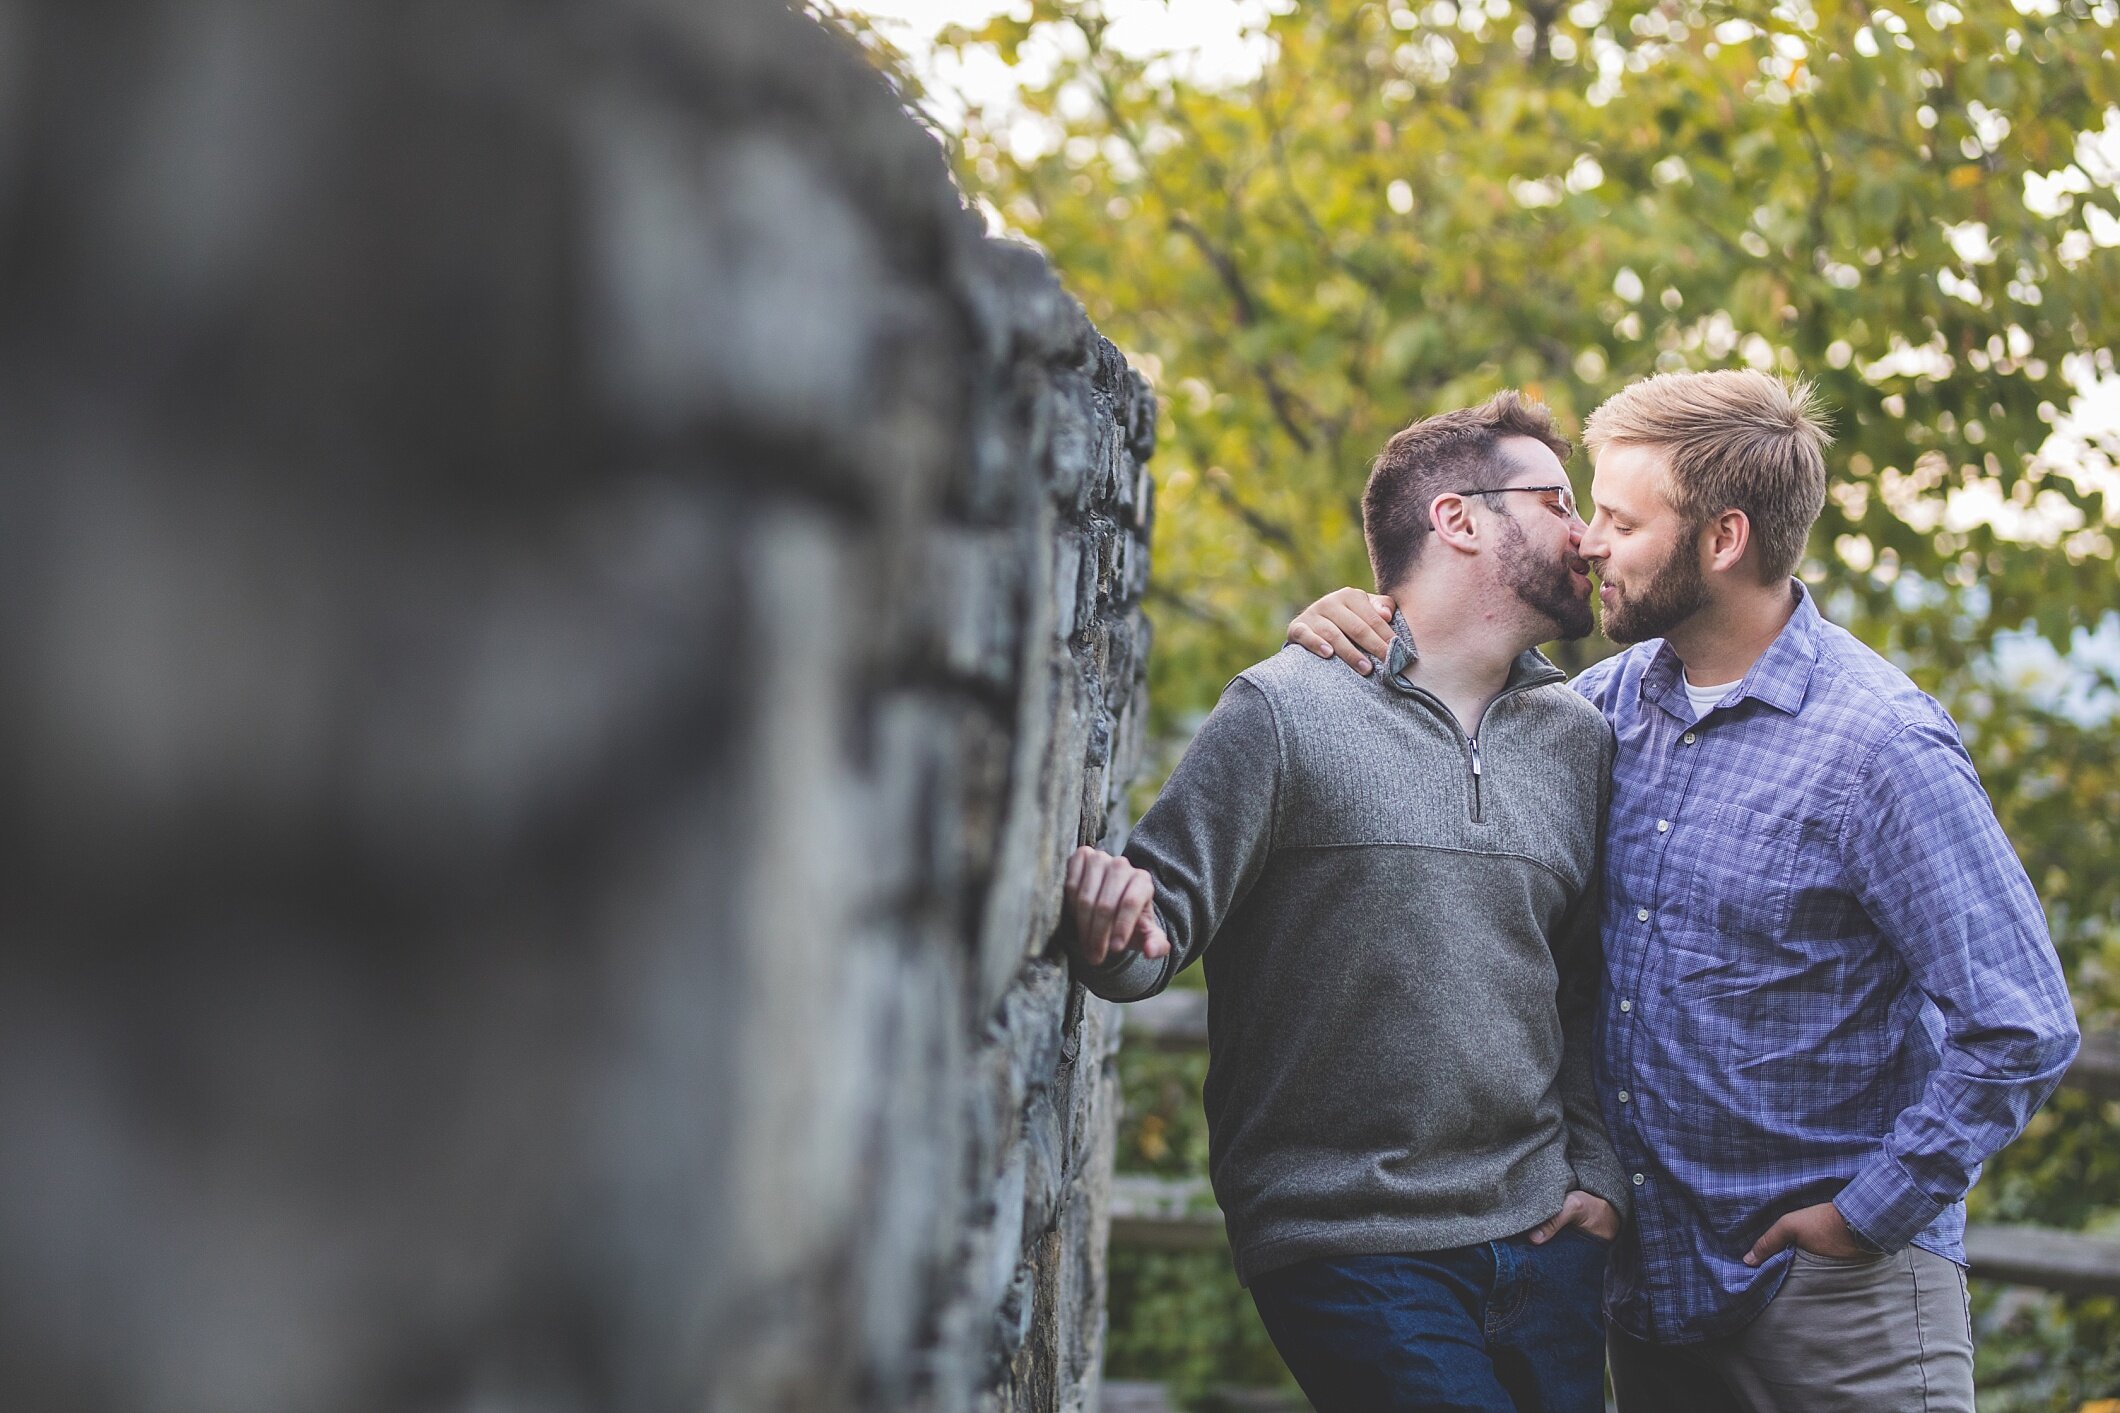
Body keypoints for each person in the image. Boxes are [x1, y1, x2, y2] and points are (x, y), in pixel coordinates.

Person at [1287, 369, 2081, 1413]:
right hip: (1650, 1299)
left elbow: (2019, 1025)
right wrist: (1359, 620)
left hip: (1835, 1306)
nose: (1585, 541)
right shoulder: (1598, 712)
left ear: (1721, 540)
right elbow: (1452, 719)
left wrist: (1860, 1219)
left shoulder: (1878, 749)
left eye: (1618, 518)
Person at [1061, 391, 1626, 1412]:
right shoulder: (1286, 709)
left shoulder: (1577, 740)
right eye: (1555, 499)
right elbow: (1158, 926)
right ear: (1457, 519)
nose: (1584, 534)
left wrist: (1595, 1177)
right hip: (1351, 1244)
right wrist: (1112, 931)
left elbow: (1584, 983)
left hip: (1543, 1243)